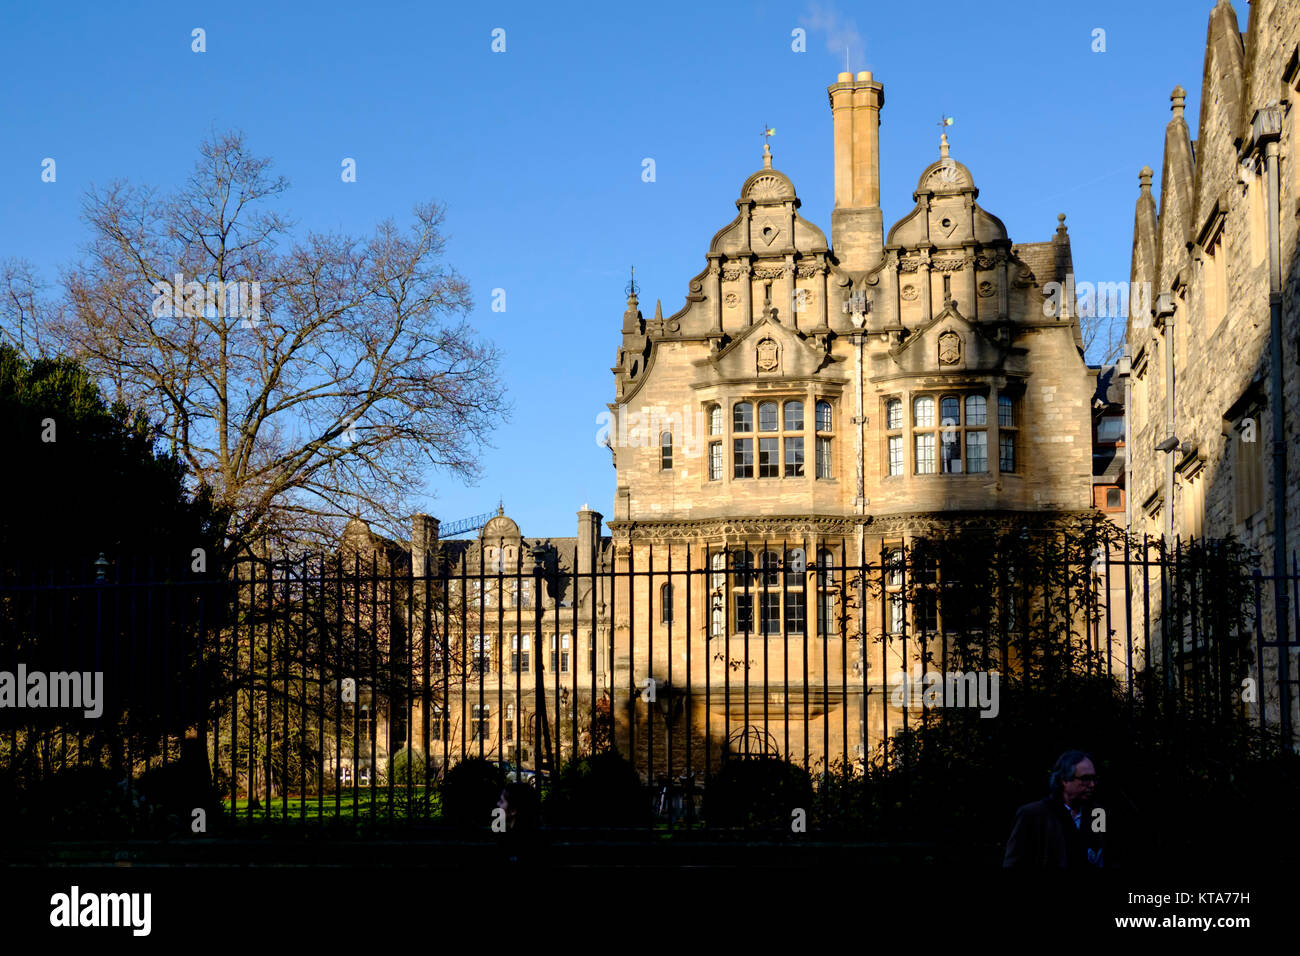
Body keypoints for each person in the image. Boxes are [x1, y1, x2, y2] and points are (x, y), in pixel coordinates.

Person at [1003, 750, 1105, 867]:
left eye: (1094, 778)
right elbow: (1014, 863)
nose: (1092, 785)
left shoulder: (1098, 813)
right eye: (1085, 779)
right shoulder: (1033, 814)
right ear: (1064, 780)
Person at [496, 781, 540, 865]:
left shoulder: (507, 841)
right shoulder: (535, 839)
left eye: (502, 801)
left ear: (513, 811)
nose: (498, 804)